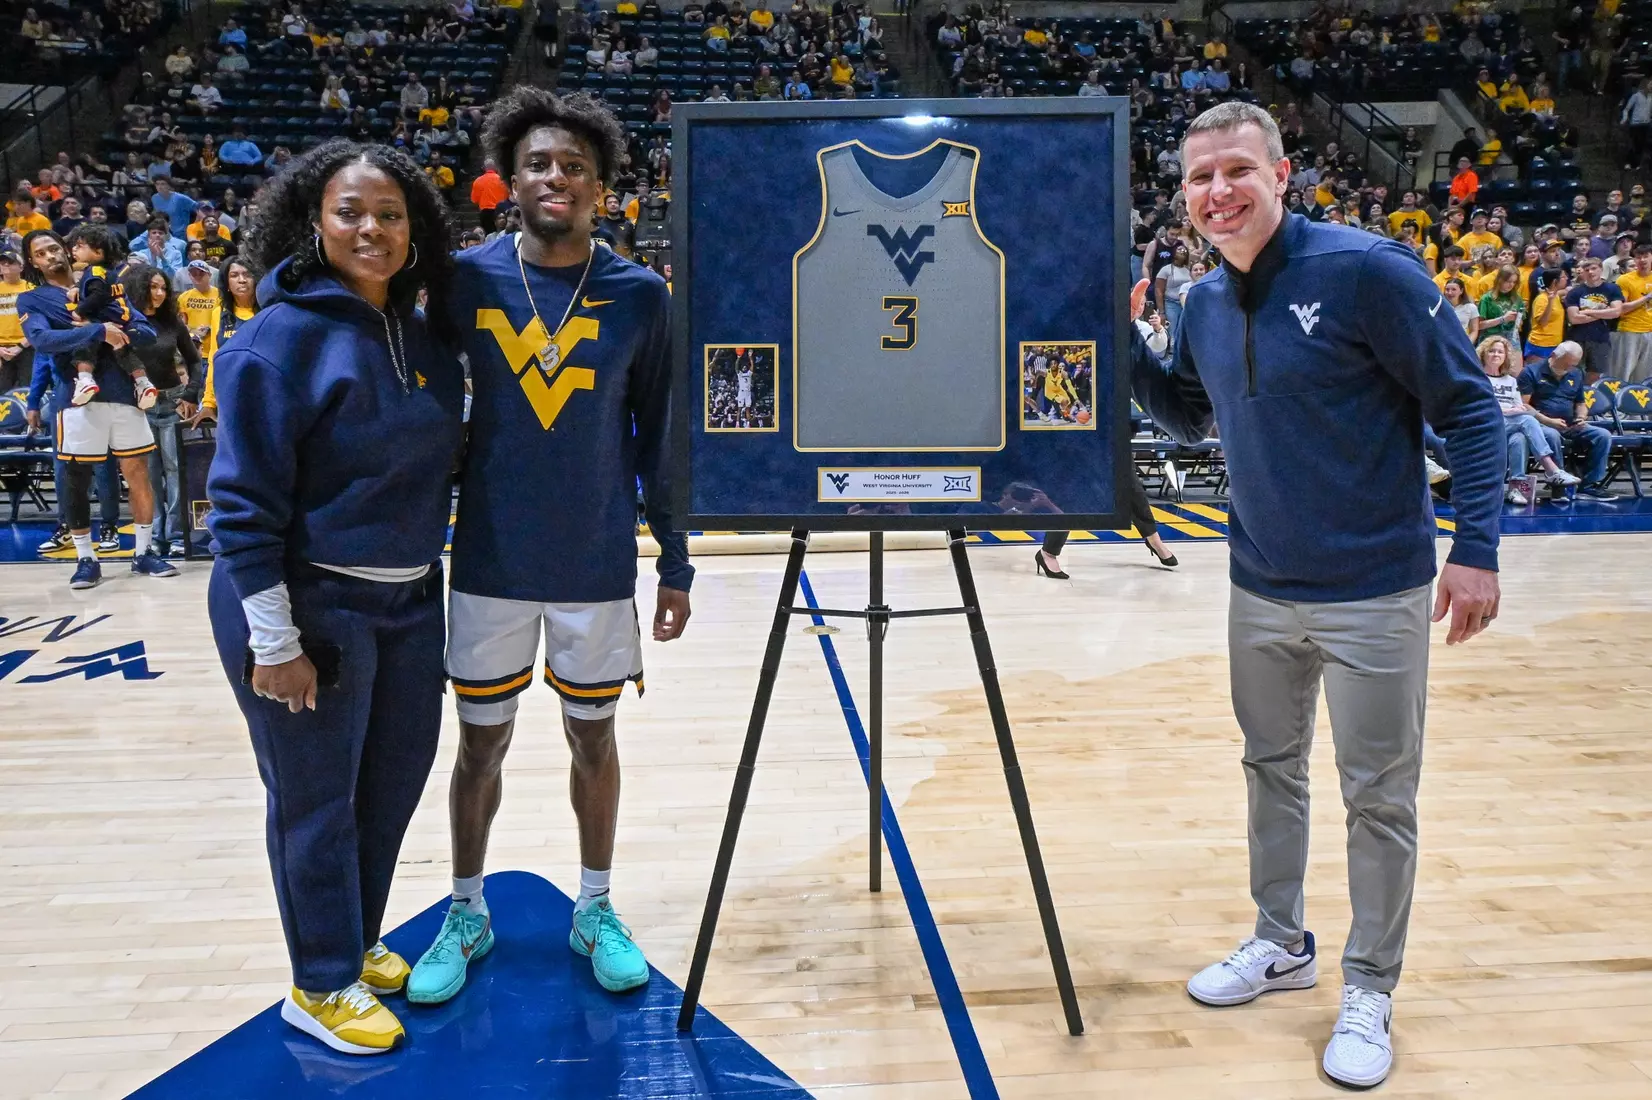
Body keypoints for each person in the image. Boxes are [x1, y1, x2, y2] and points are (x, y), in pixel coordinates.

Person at [1137, 103, 1503, 1090]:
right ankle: (1277, 940)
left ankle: (1369, 985)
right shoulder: (1202, 303)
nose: (1216, 192)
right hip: (1257, 584)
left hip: (1374, 587)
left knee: (1376, 794)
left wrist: (1474, 547)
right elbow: (1181, 411)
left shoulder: (1364, 273)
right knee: (1269, 767)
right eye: (1197, 178)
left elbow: (1469, 408)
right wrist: (1106, 337)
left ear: (1279, 172)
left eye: (1234, 171)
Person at [406, 88, 692, 1007]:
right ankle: (466, 911)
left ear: (602, 188)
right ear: (507, 179)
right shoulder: (462, 282)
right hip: (488, 558)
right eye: (538, 163)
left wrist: (675, 560)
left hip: (596, 561)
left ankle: (595, 906)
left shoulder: (642, 296)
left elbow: (661, 437)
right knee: (479, 745)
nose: (555, 177)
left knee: (593, 736)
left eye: (574, 166)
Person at [205, 140, 465, 1056]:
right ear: (313, 222)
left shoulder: (423, 337)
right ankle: (318, 984)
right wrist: (273, 638)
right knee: (315, 801)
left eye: (390, 214)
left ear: (415, 229)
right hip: (305, 605)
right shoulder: (277, 339)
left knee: (390, 786)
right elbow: (239, 504)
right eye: (350, 211)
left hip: (406, 603)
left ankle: (353, 941)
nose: (372, 229)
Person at [19, 229, 176, 588]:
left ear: (66, 250)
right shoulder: (34, 300)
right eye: (41, 253)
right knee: (76, 478)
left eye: (54, 247)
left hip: (124, 392)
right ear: (33, 262)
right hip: (76, 398)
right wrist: (99, 332)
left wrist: (121, 331)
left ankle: (143, 553)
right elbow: (42, 340)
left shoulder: (101, 283)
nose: (50, 255)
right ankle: (86, 558)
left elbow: (145, 331)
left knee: (138, 472)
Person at [1037, 315, 1179, 575]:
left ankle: (1153, 538)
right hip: (1082, 429)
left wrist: (1156, 330)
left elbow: (1152, 352)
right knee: (1074, 487)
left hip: (1113, 419)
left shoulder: (1121, 330)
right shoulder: (1070, 344)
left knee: (1130, 484)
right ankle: (1048, 551)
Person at [129, 264, 202, 554]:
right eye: (153, 287)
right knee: (147, 473)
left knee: (175, 471)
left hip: (172, 401)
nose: (159, 293)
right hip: (138, 405)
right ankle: (153, 537)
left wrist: (191, 393)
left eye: (163, 288)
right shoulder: (126, 322)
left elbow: (195, 361)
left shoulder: (172, 322)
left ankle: (174, 536)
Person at [62, 225, 161, 410]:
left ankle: (84, 379)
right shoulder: (111, 273)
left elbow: (98, 295)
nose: (74, 249)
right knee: (124, 351)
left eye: (80, 245)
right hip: (122, 318)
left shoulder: (94, 271)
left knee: (85, 345)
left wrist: (80, 311)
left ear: (98, 252)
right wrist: (77, 289)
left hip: (104, 320)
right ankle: (143, 383)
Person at [1476, 334, 1579, 504]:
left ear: (1506, 356)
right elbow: (1482, 407)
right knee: (1528, 420)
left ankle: (1515, 488)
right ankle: (1552, 469)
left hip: (1510, 426)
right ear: (1483, 354)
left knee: (1520, 438)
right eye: (1491, 351)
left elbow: (1521, 406)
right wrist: (1510, 410)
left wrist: (1515, 410)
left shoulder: (1511, 381)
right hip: (1487, 425)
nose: (1496, 355)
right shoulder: (1478, 379)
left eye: (1500, 352)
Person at [1517, 341, 1616, 498]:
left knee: (1603, 435)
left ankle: (1589, 485)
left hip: (1570, 425)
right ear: (1554, 356)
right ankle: (1559, 484)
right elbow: (1523, 406)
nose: (1569, 368)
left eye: (1573, 365)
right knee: (1552, 435)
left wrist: (1581, 417)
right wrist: (1547, 421)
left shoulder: (1576, 373)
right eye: (1566, 364)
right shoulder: (1530, 372)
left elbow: (1581, 403)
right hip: (1541, 425)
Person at [1563, 256, 1625, 382]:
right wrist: (1603, 311)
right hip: (1578, 337)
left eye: (1594, 268)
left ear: (1601, 269)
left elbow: (1616, 312)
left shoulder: (1612, 289)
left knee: (1595, 373)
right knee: (1573, 372)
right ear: (1583, 272)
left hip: (1600, 337)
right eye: (1587, 269)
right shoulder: (1575, 292)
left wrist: (1589, 311)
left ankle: (1590, 397)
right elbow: (1574, 318)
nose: (1590, 272)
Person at [1612, 244, 1652, 382]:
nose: (1642, 260)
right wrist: (1646, 298)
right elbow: (1620, 308)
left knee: (1645, 376)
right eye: (1638, 257)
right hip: (1630, 330)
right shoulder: (1625, 280)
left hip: (1650, 331)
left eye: (1646, 256)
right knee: (1623, 373)